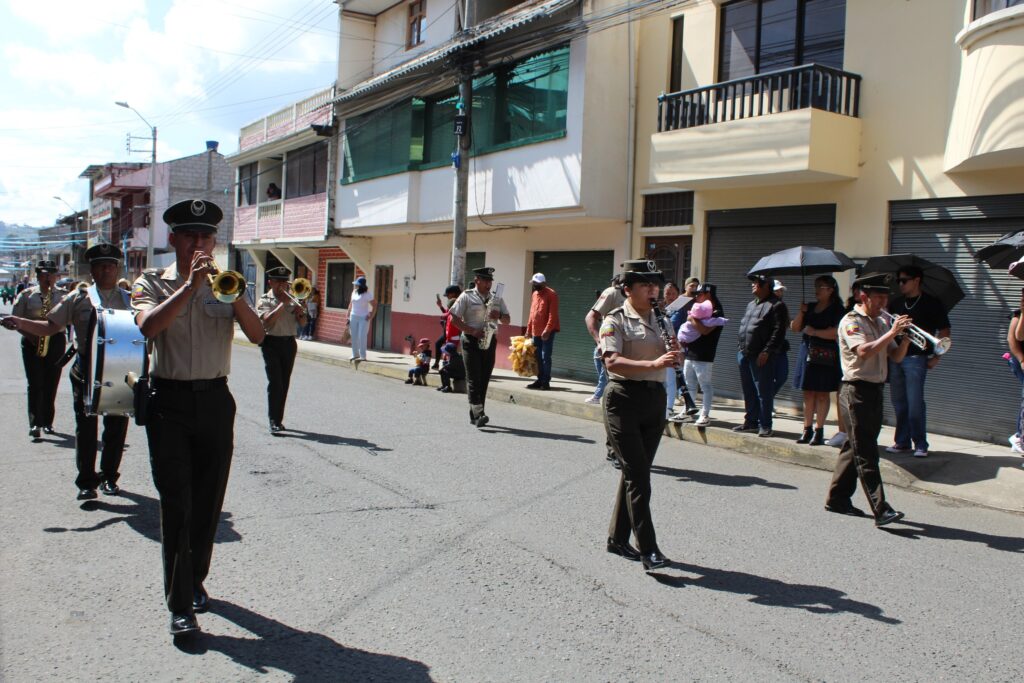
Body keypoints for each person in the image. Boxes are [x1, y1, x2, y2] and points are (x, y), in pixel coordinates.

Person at [131, 199, 265, 638]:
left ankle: (194, 579)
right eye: (190, 235)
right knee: (177, 504)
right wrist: (189, 286)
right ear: (173, 239)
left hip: (215, 401)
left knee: (208, 504)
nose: (198, 244)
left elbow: (258, 335)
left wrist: (235, 295)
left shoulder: (228, 283)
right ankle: (180, 605)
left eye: (206, 236)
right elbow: (148, 327)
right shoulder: (151, 281)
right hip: (168, 402)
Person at [2, 245, 131, 499]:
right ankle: (87, 482)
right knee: (86, 427)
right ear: (92, 270)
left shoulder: (130, 299)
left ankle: (109, 477)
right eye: (100, 266)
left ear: (117, 269)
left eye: (110, 265)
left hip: (118, 370)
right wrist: (20, 322)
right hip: (86, 369)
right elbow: (50, 327)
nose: (106, 270)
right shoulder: (77, 298)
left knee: (116, 426)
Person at [600, 261, 677, 571]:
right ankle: (649, 549)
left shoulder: (663, 319)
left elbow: (671, 355)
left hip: (654, 398)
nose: (652, 289)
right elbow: (612, 362)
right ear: (628, 289)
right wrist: (654, 364)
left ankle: (617, 539)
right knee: (640, 478)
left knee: (636, 473)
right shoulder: (614, 320)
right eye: (645, 284)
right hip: (623, 399)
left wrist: (675, 354)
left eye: (654, 284)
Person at [825, 272, 911, 527]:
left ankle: (837, 499)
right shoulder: (851, 322)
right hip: (855, 391)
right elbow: (863, 351)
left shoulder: (881, 323)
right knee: (867, 452)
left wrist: (905, 338)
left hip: (875, 390)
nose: (883, 302)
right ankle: (881, 509)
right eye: (878, 297)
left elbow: (896, 356)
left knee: (855, 447)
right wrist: (892, 332)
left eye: (886, 297)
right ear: (863, 297)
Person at [885, 265, 951, 458]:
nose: (900, 284)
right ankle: (902, 441)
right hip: (896, 356)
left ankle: (920, 443)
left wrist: (937, 357)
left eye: (904, 280)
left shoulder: (931, 303)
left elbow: (944, 331)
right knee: (899, 402)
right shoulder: (896, 303)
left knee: (915, 403)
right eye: (898, 280)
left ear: (917, 280)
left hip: (916, 358)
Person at [8, 260, 66, 438]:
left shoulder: (64, 296)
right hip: (32, 340)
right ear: (38, 276)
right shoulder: (26, 295)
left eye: (51, 275)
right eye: (43, 275)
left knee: (51, 382)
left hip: (55, 340)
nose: (47, 278)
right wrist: (30, 335)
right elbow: (15, 319)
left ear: (56, 276)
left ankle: (48, 422)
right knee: (35, 383)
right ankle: (35, 423)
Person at [448, 267, 510, 427]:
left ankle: (475, 415)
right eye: (485, 281)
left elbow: (507, 320)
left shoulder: (496, 298)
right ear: (477, 280)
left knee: (484, 378)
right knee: (474, 377)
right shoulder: (466, 296)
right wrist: (472, 331)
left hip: (489, 340)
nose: (489, 284)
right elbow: (454, 318)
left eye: (490, 281)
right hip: (470, 340)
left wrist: (499, 316)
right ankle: (479, 413)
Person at [790, 275, 845, 446]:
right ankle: (806, 429)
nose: (817, 290)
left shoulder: (837, 309)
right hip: (807, 351)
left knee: (822, 393)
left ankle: (819, 430)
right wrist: (801, 312)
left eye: (821, 286)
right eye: (816, 286)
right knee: (808, 392)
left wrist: (815, 332)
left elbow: (837, 332)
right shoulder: (811, 307)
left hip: (825, 354)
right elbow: (795, 328)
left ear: (831, 290)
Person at [735, 274, 788, 437]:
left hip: (761, 355)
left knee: (763, 392)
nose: (753, 285)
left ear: (766, 286)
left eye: (756, 283)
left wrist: (767, 351)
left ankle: (765, 425)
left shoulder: (777, 305)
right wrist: (740, 348)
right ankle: (751, 422)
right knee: (749, 390)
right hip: (745, 353)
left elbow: (778, 332)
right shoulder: (751, 304)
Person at [257, 266, 306, 434]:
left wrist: (300, 313)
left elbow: (303, 324)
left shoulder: (293, 299)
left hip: (289, 343)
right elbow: (267, 320)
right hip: (271, 343)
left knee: (284, 382)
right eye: (278, 281)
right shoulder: (264, 300)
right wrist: (283, 304)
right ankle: (273, 420)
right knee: (275, 382)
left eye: (285, 282)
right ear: (270, 282)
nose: (282, 285)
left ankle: (278, 420)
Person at [681, 283, 724, 427]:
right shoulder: (699, 308)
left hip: (705, 354)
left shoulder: (717, 312)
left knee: (705, 385)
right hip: (691, 352)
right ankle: (688, 411)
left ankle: (705, 415)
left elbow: (705, 330)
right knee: (689, 385)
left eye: (699, 294)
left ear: (708, 294)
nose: (696, 297)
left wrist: (692, 318)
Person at [525, 273, 560, 390]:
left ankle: (545, 381)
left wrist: (547, 330)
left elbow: (553, 315)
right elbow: (532, 313)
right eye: (534, 283)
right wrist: (528, 330)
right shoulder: (534, 294)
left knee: (545, 356)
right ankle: (539, 379)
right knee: (537, 356)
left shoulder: (552, 294)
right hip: (536, 331)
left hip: (547, 332)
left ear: (544, 283)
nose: (535, 285)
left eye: (537, 283)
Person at [346, 275, 375, 363]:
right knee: (353, 335)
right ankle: (355, 354)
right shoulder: (354, 292)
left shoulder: (367, 294)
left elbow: (375, 305)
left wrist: (371, 315)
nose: (355, 285)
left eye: (357, 284)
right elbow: (351, 303)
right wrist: (348, 313)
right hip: (353, 316)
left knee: (362, 336)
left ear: (361, 286)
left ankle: (363, 355)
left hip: (363, 317)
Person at [433, 285, 462, 368]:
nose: (447, 297)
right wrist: (441, 307)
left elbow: (448, 314)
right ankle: (439, 363)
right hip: (449, 331)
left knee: (451, 350)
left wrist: (443, 315)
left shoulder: (458, 302)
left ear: (453, 293)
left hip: (454, 332)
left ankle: (450, 365)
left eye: (448, 294)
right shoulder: (453, 302)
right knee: (440, 344)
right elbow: (447, 313)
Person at [771, 280, 790, 396]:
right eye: (777, 290)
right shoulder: (765, 305)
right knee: (767, 377)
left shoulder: (782, 306)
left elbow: (786, 325)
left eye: (781, 290)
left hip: (780, 347)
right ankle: (766, 400)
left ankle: (768, 397)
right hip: (768, 348)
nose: (779, 293)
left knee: (782, 376)